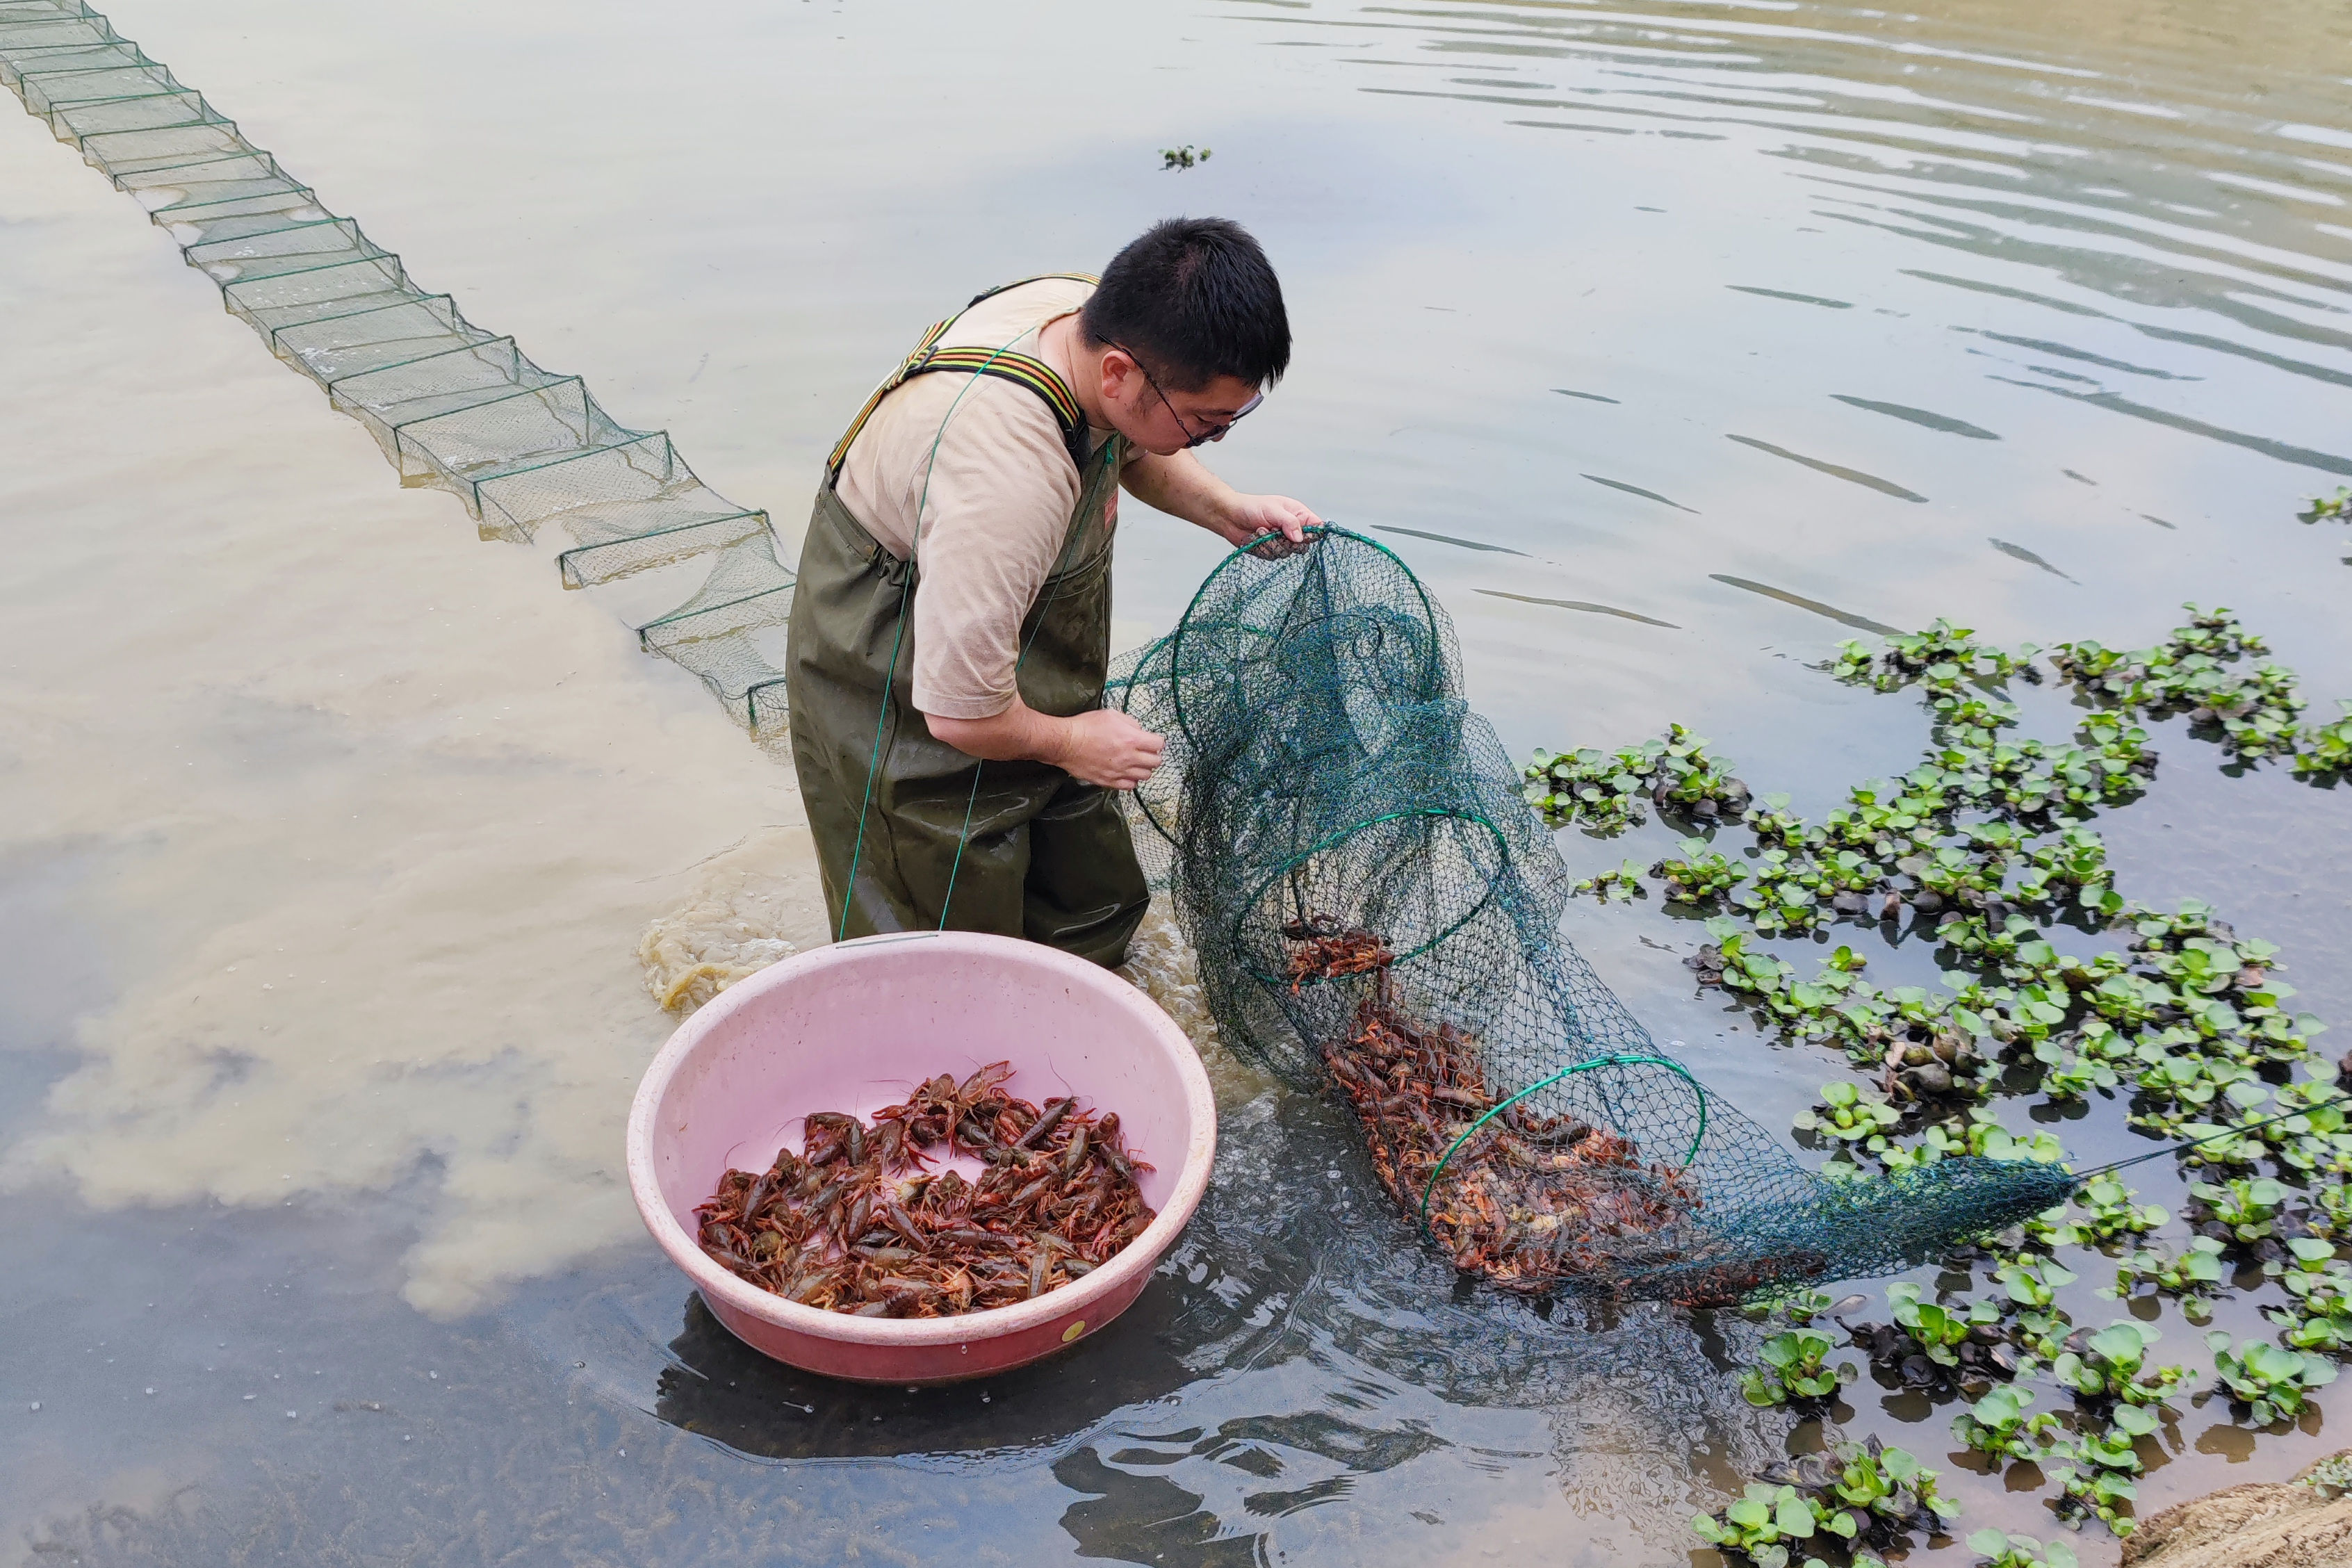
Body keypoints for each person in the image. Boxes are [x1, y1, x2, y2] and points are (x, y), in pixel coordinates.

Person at [785, 217, 1320, 967]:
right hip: (894, 670)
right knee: (946, 953)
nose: (1211, 441)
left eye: (1229, 421)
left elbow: (1132, 439)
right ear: (1119, 375)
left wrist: (1227, 510)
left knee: (1091, 900)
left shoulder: (1090, 315)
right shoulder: (1006, 481)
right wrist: (1072, 740)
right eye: (1203, 425)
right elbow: (956, 714)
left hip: (998, 623)